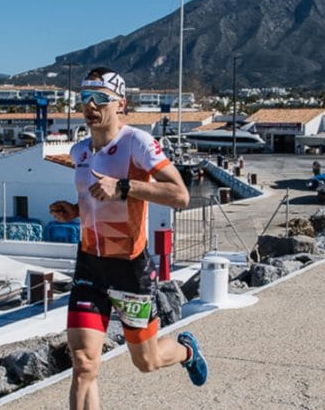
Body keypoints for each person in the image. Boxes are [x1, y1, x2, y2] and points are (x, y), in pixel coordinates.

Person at [49, 67, 208, 410]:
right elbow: (93, 198)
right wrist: (74, 211)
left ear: (120, 104)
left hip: (129, 269)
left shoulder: (137, 143)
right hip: (89, 266)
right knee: (84, 364)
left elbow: (180, 195)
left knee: (146, 360)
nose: (90, 106)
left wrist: (123, 186)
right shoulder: (79, 151)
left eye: (100, 99)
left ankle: (186, 350)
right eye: (84, 99)